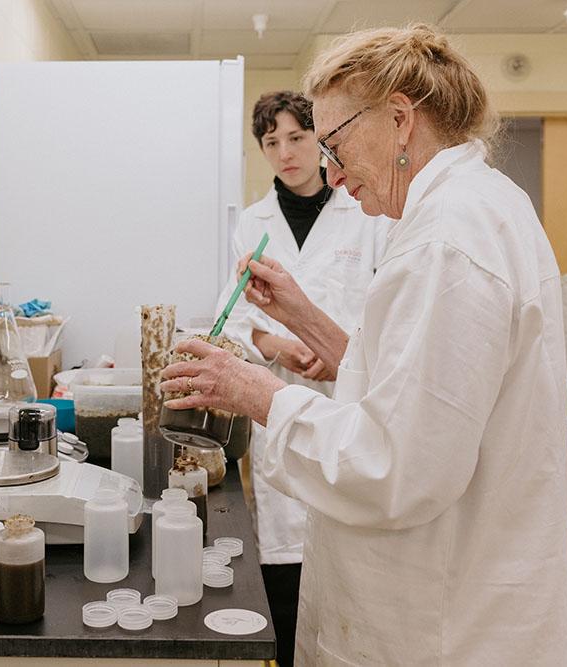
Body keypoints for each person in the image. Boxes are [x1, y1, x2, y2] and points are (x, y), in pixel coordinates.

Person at [163, 24, 567, 665]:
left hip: (442, 624)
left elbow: (394, 466)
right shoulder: (482, 204)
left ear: (398, 119)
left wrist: (256, 394)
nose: (331, 174)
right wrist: (308, 321)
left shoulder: (446, 241)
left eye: (333, 144)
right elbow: (422, 380)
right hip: (457, 592)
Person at [212, 90, 386, 667]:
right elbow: (237, 318)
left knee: (352, 563)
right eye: (271, 142)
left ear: (321, 139)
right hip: (280, 398)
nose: (286, 152)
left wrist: (335, 346)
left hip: (351, 399)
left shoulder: (365, 212)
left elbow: (385, 308)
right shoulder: (253, 225)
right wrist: (278, 341)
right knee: (286, 559)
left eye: (297, 137)